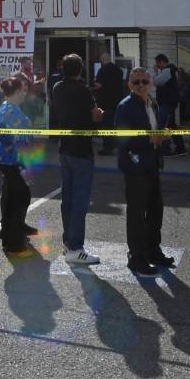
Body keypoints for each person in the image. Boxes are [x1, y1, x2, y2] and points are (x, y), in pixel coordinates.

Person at [118, 67, 171, 275]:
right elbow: (121, 138)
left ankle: (153, 250)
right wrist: (150, 138)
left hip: (153, 163)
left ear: (151, 83)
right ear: (130, 85)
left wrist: (161, 135)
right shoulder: (125, 106)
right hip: (135, 166)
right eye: (136, 82)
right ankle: (137, 257)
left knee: (156, 209)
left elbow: (154, 128)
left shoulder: (152, 102)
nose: (141, 85)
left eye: (144, 81)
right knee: (137, 213)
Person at [51, 53, 104, 266]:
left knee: (68, 199)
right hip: (82, 150)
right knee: (80, 201)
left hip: (64, 147)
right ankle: (76, 247)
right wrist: (100, 113)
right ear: (80, 69)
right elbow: (95, 114)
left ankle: (67, 243)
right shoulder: (83, 90)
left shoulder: (57, 87)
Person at [0, 74, 36, 255]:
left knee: (16, 198)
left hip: (12, 159)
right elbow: (21, 138)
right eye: (23, 91)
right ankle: (14, 244)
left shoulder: (9, 107)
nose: (25, 94)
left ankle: (11, 236)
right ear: (17, 91)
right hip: (13, 160)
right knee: (19, 199)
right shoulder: (10, 111)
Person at [153, 53, 186, 156]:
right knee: (171, 125)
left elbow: (156, 81)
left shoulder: (167, 71)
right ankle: (180, 148)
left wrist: (156, 72)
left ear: (162, 62)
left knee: (164, 126)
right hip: (169, 103)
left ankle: (166, 149)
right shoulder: (170, 71)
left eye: (158, 63)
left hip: (167, 103)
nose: (157, 66)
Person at [93, 51, 125, 155]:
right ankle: (116, 144)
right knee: (116, 125)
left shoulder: (102, 70)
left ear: (103, 60)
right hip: (118, 102)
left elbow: (98, 85)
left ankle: (108, 148)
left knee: (107, 126)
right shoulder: (118, 70)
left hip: (106, 103)